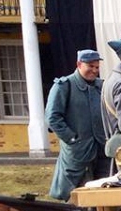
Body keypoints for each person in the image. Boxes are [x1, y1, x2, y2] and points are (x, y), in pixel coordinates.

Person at [46, 49, 110, 201]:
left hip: (102, 151)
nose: (94, 70)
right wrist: (72, 139)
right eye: (90, 66)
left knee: (105, 196)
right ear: (79, 64)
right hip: (78, 153)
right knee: (78, 199)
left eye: (96, 67)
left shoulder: (102, 86)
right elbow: (52, 117)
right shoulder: (64, 86)